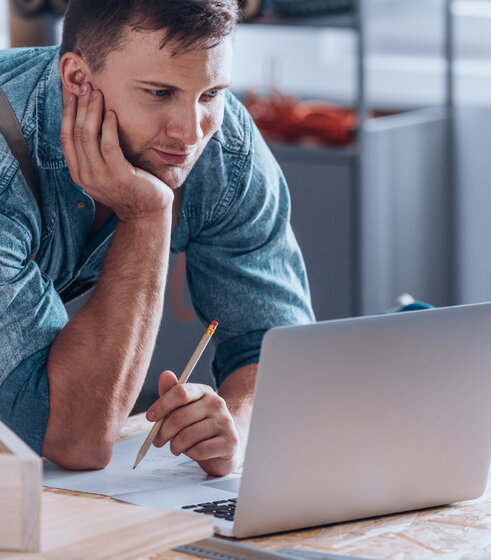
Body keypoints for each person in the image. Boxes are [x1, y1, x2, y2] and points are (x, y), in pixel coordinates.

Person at [0, 0, 314, 476]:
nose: (190, 134)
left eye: (210, 94)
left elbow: (274, 344)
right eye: (160, 91)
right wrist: (147, 214)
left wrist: (237, 428)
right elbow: (76, 439)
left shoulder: (221, 147)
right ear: (78, 80)